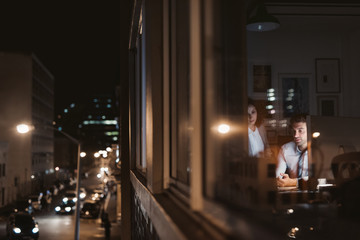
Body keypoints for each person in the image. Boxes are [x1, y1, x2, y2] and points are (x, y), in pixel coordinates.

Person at [276, 114, 309, 187]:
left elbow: (319, 179)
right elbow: (278, 175)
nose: (295, 135)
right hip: (293, 193)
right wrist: (279, 180)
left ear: (309, 131)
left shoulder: (318, 151)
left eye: (300, 131)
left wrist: (294, 182)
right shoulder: (285, 149)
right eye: (294, 131)